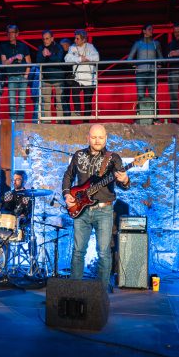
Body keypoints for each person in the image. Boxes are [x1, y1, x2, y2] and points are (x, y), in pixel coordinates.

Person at [63, 124, 130, 289]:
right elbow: (68, 175)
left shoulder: (113, 158)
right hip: (81, 210)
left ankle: (101, 290)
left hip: (104, 210)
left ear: (106, 138)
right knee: (78, 251)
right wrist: (66, 194)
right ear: (88, 137)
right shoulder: (78, 155)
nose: (97, 140)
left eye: (101, 137)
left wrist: (124, 180)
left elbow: (124, 184)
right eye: (94, 137)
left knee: (103, 252)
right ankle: (75, 288)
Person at [127, 23, 163, 125]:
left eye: (152, 29)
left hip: (152, 73)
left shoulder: (156, 43)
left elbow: (161, 58)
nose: (152, 31)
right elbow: (129, 58)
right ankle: (139, 118)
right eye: (149, 29)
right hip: (141, 74)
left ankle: (155, 118)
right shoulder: (138, 44)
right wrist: (134, 65)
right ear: (144, 31)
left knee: (153, 96)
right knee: (140, 96)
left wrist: (159, 65)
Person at [65, 30, 100, 123]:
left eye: (77, 38)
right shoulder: (72, 47)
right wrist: (79, 59)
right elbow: (67, 59)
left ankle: (86, 123)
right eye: (75, 38)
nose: (75, 40)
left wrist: (87, 58)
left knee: (87, 102)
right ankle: (77, 110)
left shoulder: (90, 47)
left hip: (89, 79)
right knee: (75, 91)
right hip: (78, 77)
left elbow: (97, 58)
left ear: (84, 39)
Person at [0, 25, 32, 122]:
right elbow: (4, 63)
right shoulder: (4, 47)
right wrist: (13, 58)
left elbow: (29, 62)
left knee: (22, 102)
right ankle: (13, 123)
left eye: (12, 32)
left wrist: (26, 75)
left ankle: (20, 123)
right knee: (12, 103)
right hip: (12, 77)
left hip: (22, 77)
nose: (10, 34)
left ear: (17, 34)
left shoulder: (23, 46)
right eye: (8, 32)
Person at [36, 30, 66, 122]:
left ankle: (60, 122)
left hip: (58, 78)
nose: (45, 41)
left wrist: (49, 55)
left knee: (59, 102)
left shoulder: (59, 47)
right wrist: (43, 55)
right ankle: (47, 123)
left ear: (52, 38)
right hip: (46, 78)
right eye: (44, 39)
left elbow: (59, 60)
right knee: (46, 103)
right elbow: (38, 61)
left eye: (47, 38)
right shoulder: (41, 48)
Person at [59, 38, 75, 120]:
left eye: (63, 45)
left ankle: (67, 119)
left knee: (65, 99)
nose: (61, 47)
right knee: (62, 100)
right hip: (63, 79)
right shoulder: (61, 54)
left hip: (67, 80)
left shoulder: (69, 54)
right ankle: (65, 118)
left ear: (67, 45)